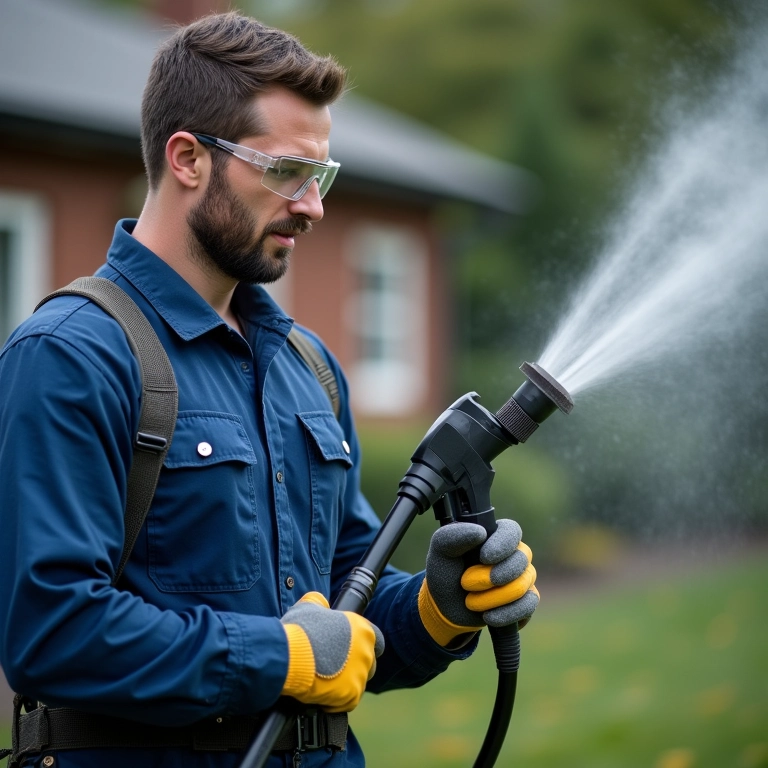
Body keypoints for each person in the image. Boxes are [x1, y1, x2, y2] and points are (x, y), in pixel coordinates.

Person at [0, 12, 539, 768]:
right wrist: (279, 657)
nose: (313, 205)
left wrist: (436, 609)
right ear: (187, 157)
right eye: (287, 171)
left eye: (321, 177)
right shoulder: (71, 356)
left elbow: (342, 606)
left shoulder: (307, 366)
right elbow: (51, 632)